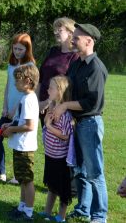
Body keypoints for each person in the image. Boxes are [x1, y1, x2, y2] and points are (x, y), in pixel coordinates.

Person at [53, 23, 108, 223]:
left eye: (76, 37)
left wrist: (65, 105)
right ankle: (83, 209)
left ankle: (99, 216)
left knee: (94, 172)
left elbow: (91, 102)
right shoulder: (76, 64)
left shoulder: (96, 67)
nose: (72, 40)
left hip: (90, 123)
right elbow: (67, 87)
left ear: (88, 41)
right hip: (77, 123)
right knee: (80, 170)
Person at [0, 33, 36, 183]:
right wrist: (4, 107)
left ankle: (18, 176)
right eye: (15, 48)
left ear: (27, 50)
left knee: (18, 144)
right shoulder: (11, 65)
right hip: (7, 112)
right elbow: (8, 87)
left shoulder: (30, 67)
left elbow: (27, 93)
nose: (17, 52)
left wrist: (14, 111)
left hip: (20, 114)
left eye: (20, 49)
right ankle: (0, 172)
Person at [1, 64, 39, 221]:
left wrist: (11, 131)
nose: (15, 83)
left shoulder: (29, 99)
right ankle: (21, 207)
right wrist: (9, 125)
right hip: (19, 145)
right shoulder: (25, 98)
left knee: (27, 180)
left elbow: (29, 125)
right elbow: (20, 120)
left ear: (28, 80)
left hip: (25, 147)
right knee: (22, 179)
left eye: (17, 80)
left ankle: (28, 212)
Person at [39, 76, 73, 222]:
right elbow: (47, 122)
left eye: (51, 88)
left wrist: (49, 126)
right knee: (51, 185)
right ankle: (47, 211)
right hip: (50, 155)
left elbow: (65, 135)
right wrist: (47, 118)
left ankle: (61, 216)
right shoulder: (51, 107)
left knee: (62, 188)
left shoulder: (65, 114)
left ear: (59, 91)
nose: (47, 90)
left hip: (60, 158)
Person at [37, 17, 79, 127]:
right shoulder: (53, 51)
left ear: (70, 32)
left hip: (59, 108)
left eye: (59, 30)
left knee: (59, 142)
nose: (55, 33)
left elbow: (69, 85)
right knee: (48, 141)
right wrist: (38, 102)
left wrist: (48, 103)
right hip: (42, 106)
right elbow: (41, 78)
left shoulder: (75, 56)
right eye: (55, 30)